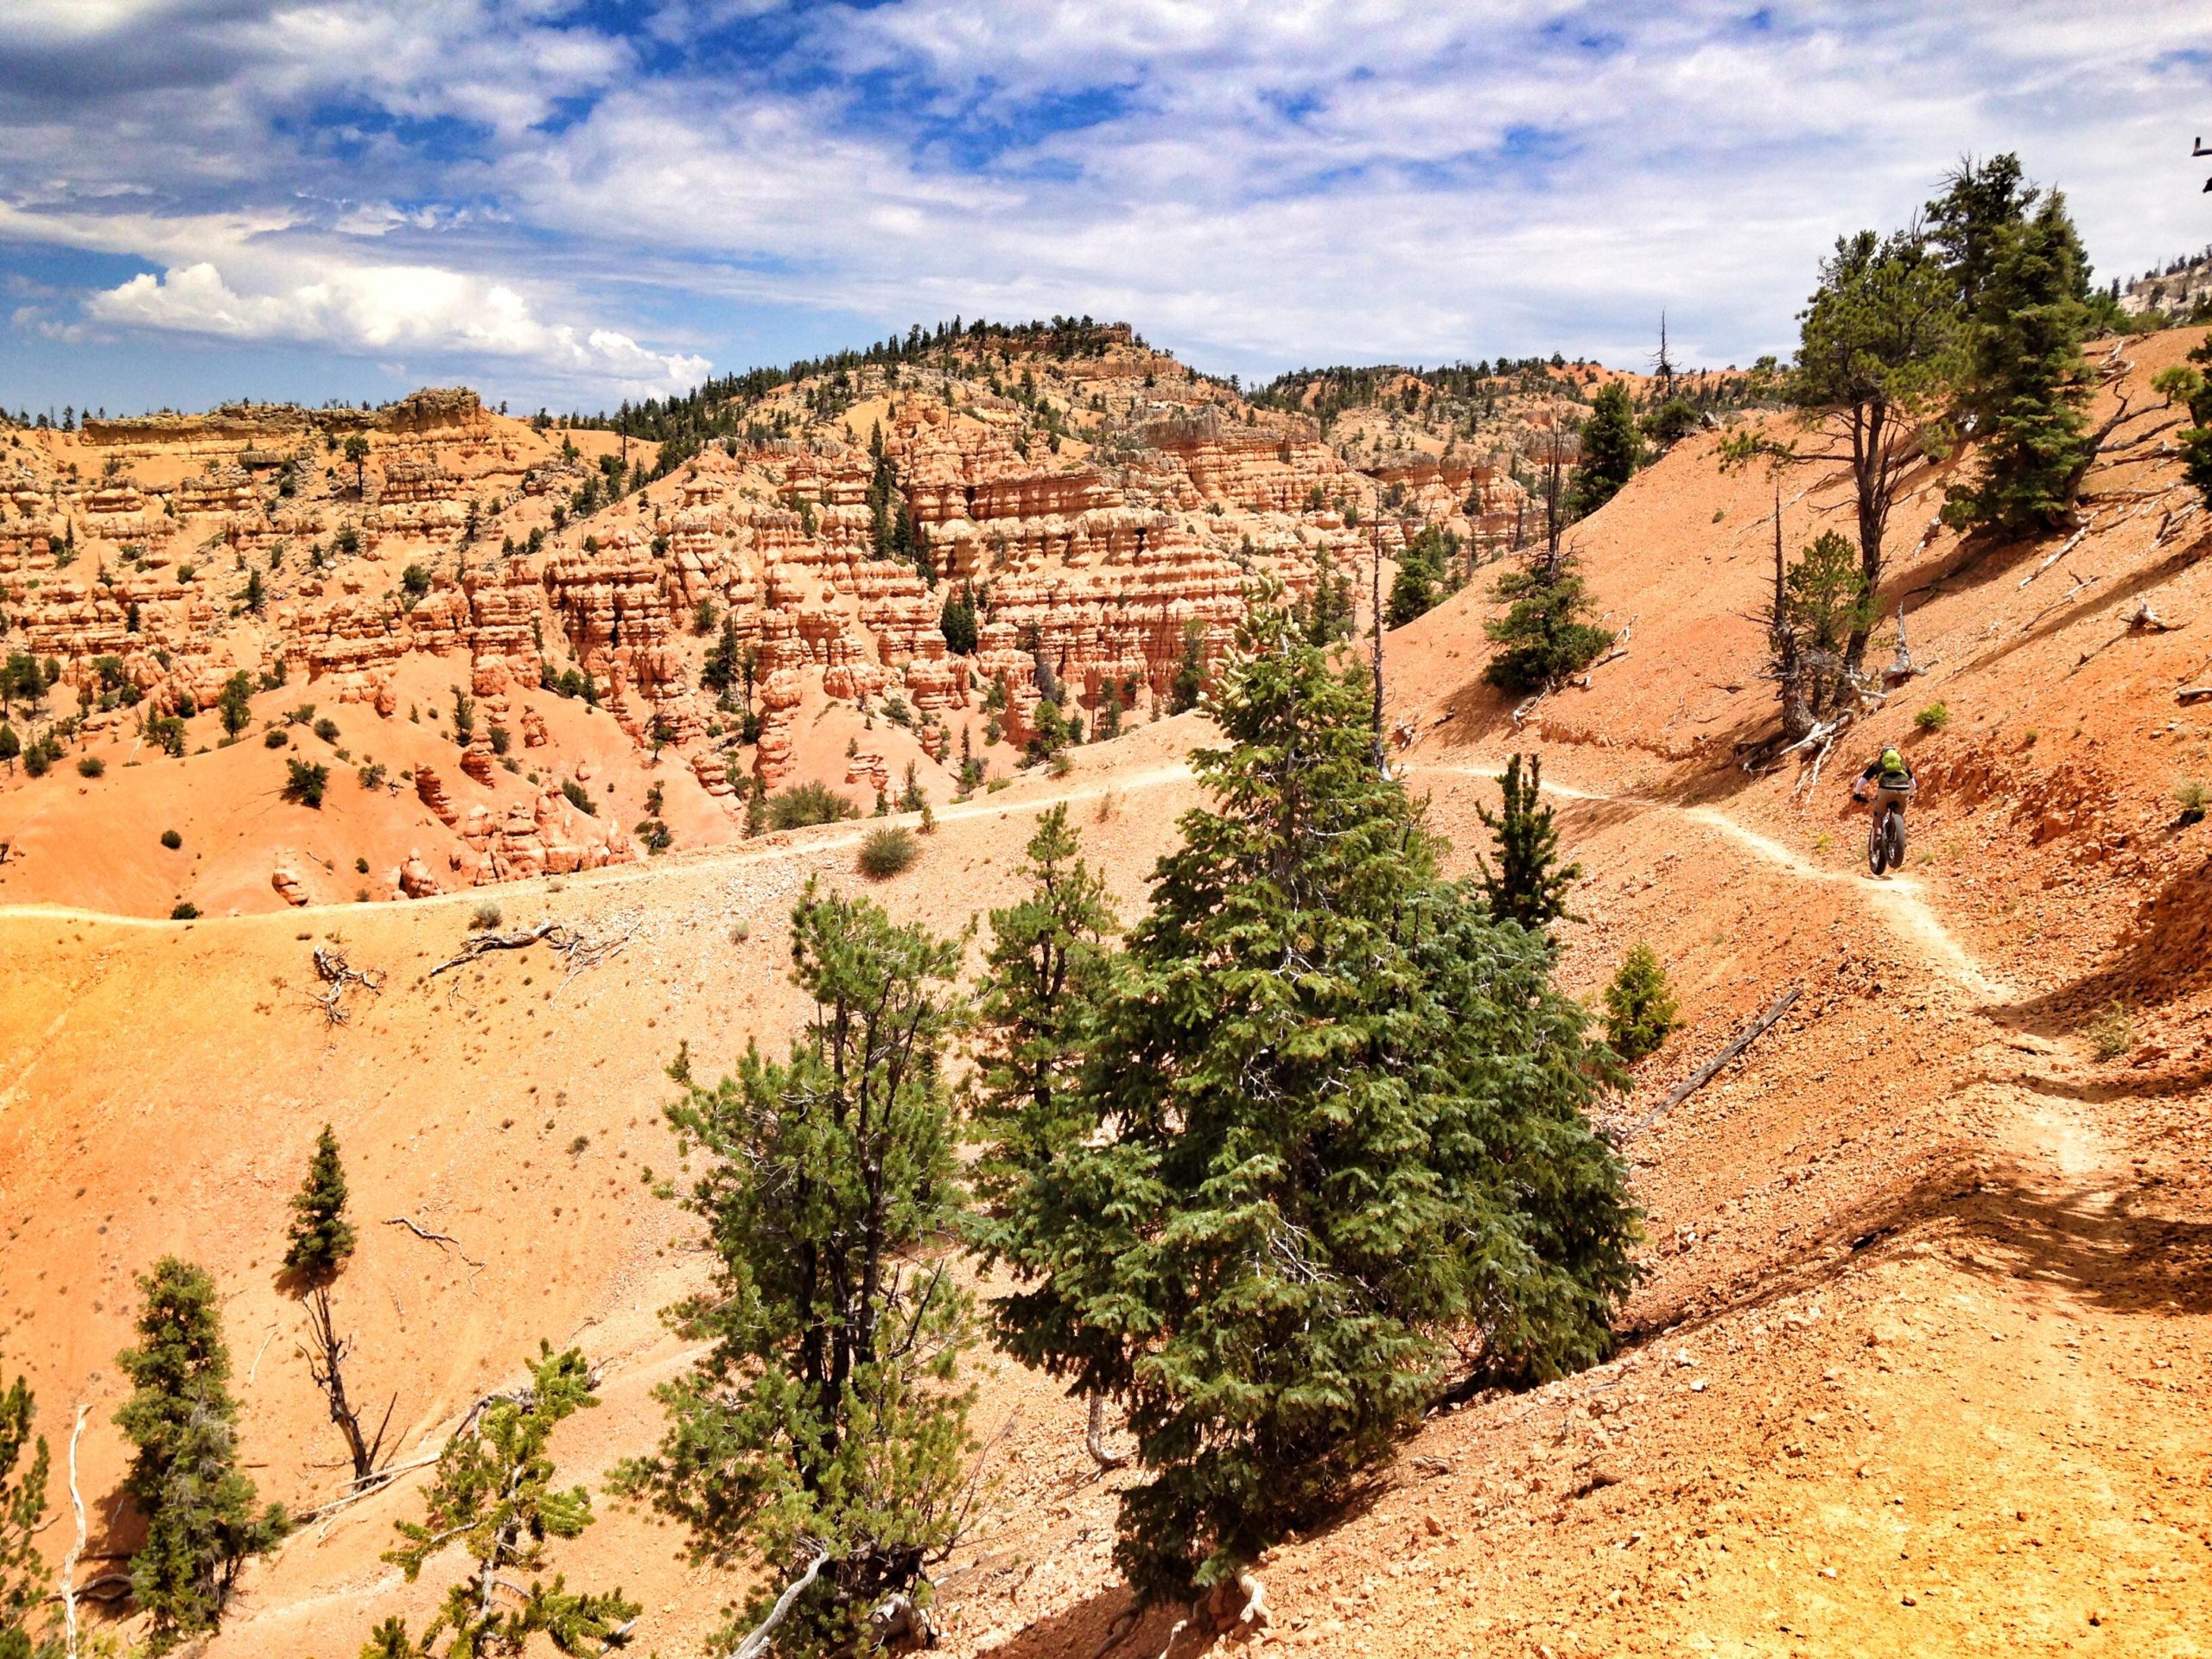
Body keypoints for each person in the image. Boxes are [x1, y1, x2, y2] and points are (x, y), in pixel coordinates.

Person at [1853, 744, 1916, 823]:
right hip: (1904, 789)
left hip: (1885, 789)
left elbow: (1861, 782)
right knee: (1900, 814)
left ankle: (1878, 833)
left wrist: (1857, 795)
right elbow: (1913, 784)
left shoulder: (1877, 764)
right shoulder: (1902, 765)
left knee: (1878, 816)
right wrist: (1910, 795)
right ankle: (1900, 830)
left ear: (1882, 754)